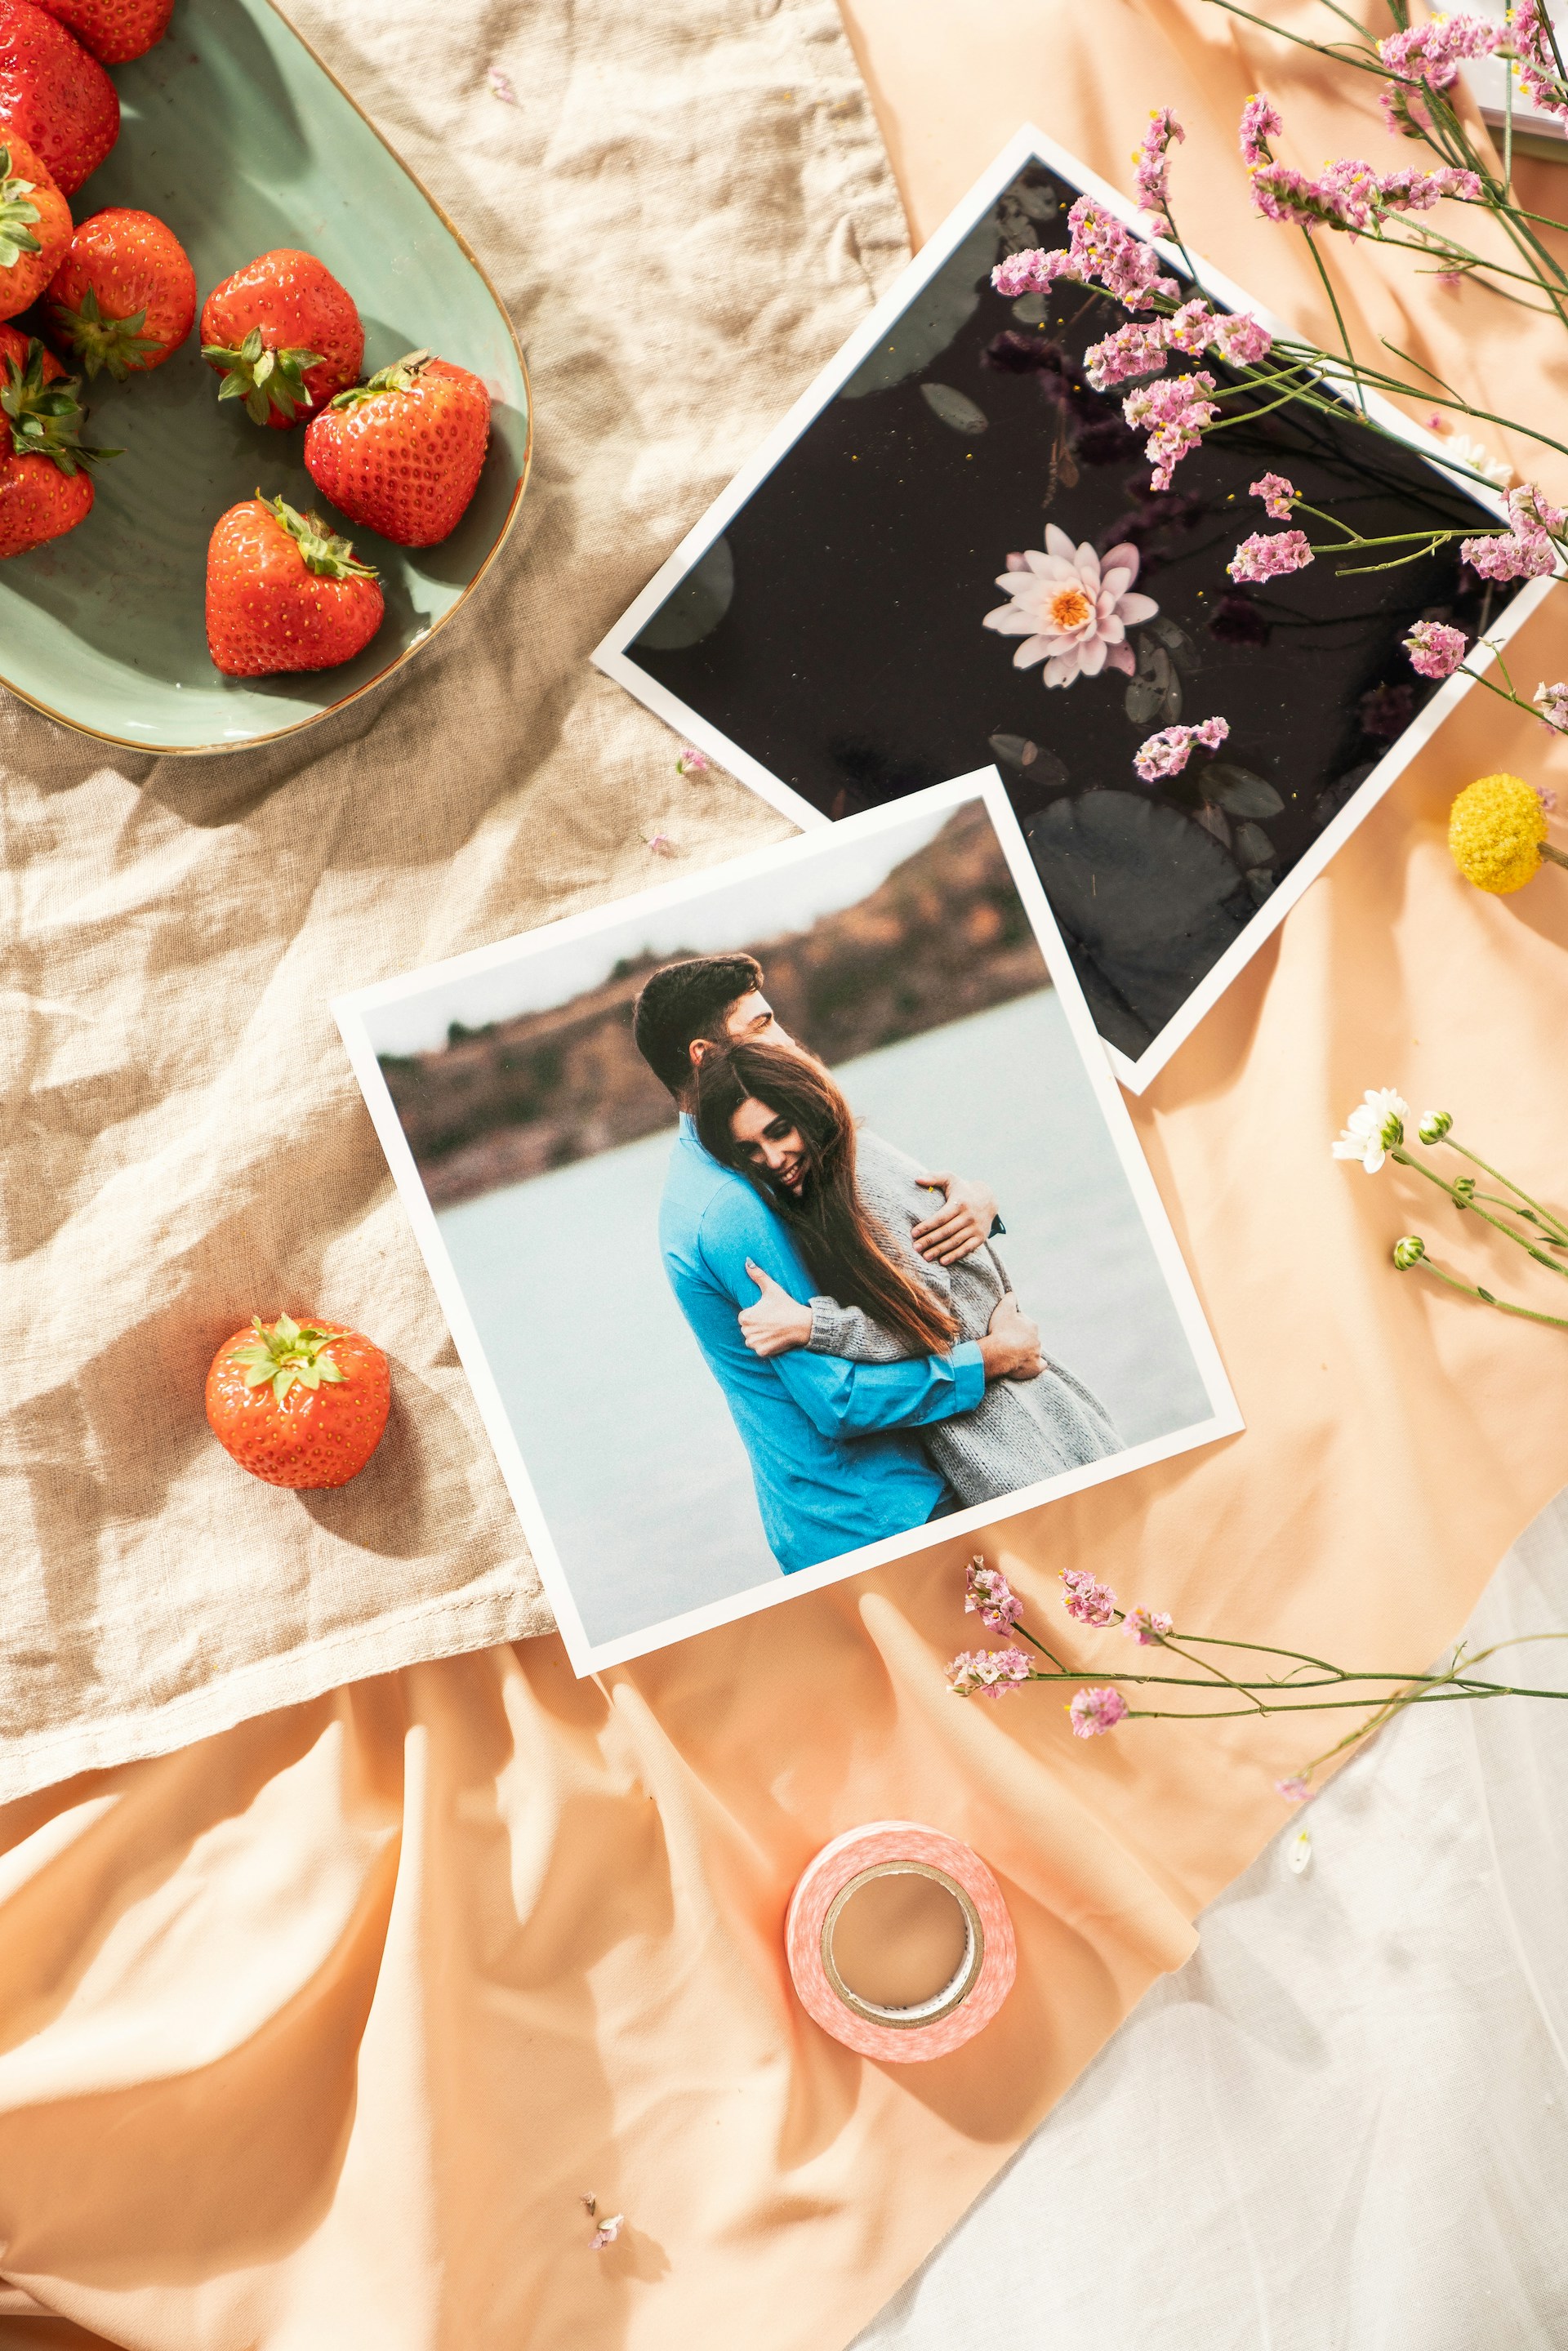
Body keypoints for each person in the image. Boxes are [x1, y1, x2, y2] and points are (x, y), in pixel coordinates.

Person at [631, 954, 1043, 1574]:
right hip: (881, 1517)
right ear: (704, 1053)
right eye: (764, 1022)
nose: (788, 1038)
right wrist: (994, 1357)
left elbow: (881, 1217)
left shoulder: (750, 1151)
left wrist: (976, 1206)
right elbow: (839, 1400)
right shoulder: (732, 1204)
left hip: (864, 1510)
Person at [694, 1039, 1120, 1506]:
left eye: (779, 1131)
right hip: (1011, 1424)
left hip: (1020, 1437)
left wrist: (812, 1326)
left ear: (807, 1107)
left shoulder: (861, 1183)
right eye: (750, 1150)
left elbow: (925, 1326)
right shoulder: (828, 1183)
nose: (773, 1160)